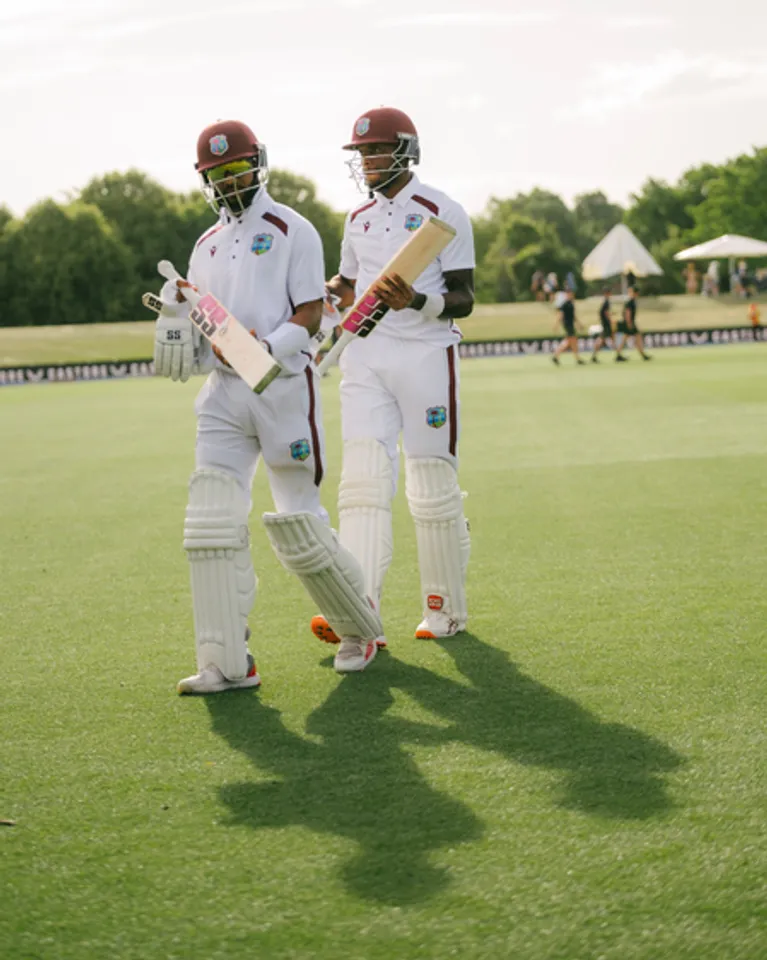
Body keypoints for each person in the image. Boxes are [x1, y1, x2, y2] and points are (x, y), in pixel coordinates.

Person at [152, 119, 383, 690]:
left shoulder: (291, 229)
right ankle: (226, 661)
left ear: (259, 163)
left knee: (299, 518)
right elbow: (210, 328)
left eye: (237, 168)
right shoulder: (204, 246)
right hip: (224, 397)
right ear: (205, 180)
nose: (230, 181)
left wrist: (264, 349)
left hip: (281, 390)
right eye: (217, 173)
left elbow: (308, 312)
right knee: (211, 518)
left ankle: (360, 630)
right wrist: (179, 324)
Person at [309, 106, 475, 652]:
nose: (367, 161)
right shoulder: (357, 218)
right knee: (361, 482)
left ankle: (444, 609)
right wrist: (329, 291)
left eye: (375, 150)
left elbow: (464, 298)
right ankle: (359, 612)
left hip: (425, 354)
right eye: (361, 154)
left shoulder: (441, 211)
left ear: (405, 150)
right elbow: (350, 282)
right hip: (365, 355)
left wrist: (418, 300)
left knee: (429, 486)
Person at [615, 285, 652, 361]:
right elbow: (627, 313)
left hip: (629, 322)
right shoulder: (630, 302)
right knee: (636, 338)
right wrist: (629, 323)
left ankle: (619, 355)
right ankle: (643, 355)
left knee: (629, 339)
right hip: (630, 323)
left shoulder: (631, 301)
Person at [551, 289, 585, 365]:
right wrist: (556, 325)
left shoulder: (571, 303)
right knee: (572, 341)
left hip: (570, 324)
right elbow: (561, 315)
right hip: (567, 324)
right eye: (569, 294)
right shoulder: (565, 304)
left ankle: (556, 356)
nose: (570, 295)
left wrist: (579, 324)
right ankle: (577, 359)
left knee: (569, 342)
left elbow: (573, 316)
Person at [590, 286, 616, 361]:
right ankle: (594, 356)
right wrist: (610, 320)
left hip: (605, 323)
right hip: (606, 324)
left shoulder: (605, 302)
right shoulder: (606, 302)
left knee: (611, 338)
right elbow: (606, 313)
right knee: (601, 339)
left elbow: (602, 313)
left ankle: (618, 354)